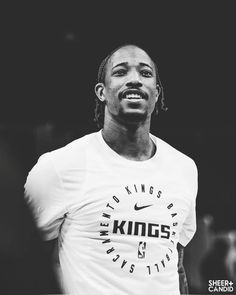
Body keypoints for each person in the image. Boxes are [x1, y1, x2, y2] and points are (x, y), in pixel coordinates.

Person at [24, 44, 198, 295]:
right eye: (120, 72)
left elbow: (175, 260)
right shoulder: (60, 167)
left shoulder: (184, 168)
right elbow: (20, 254)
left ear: (157, 93)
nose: (135, 80)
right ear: (101, 92)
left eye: (145, 73)